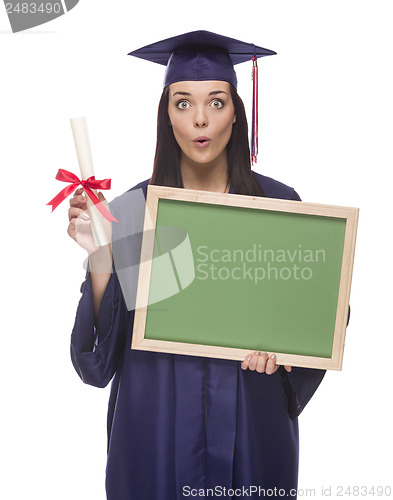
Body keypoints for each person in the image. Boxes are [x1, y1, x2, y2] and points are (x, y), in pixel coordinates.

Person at [67, 31, 326, 500]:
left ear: (237, 112)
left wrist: (284, 359)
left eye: (217, 102)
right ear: (166, 115)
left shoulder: (278, 204)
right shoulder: (132, 210)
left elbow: (313, 321)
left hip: (251, 429)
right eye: (183, 103)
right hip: (153, 436)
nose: (200, 119)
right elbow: (98, 365)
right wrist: (100, 255)